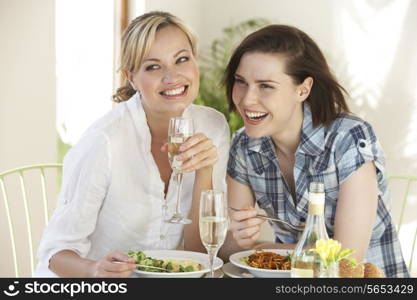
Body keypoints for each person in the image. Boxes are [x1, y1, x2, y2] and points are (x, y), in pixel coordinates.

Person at [35, 11, 230, 277]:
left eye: (181, 59)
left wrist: (205, 170)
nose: (172, 77)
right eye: (153, 66)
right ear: (131, 76)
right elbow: (54, 254)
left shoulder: (213, 127)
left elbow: (198, 253)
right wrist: (95, 269)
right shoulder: (104, 140)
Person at [221, 24, 409, 277]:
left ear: (303, 89)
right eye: (241, 82)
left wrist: (262, 248)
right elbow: (230, 251)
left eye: (266, 86)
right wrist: (239, 239)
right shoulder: (244, 145)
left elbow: (346, 259)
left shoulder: (347, 138)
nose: (246, 99)